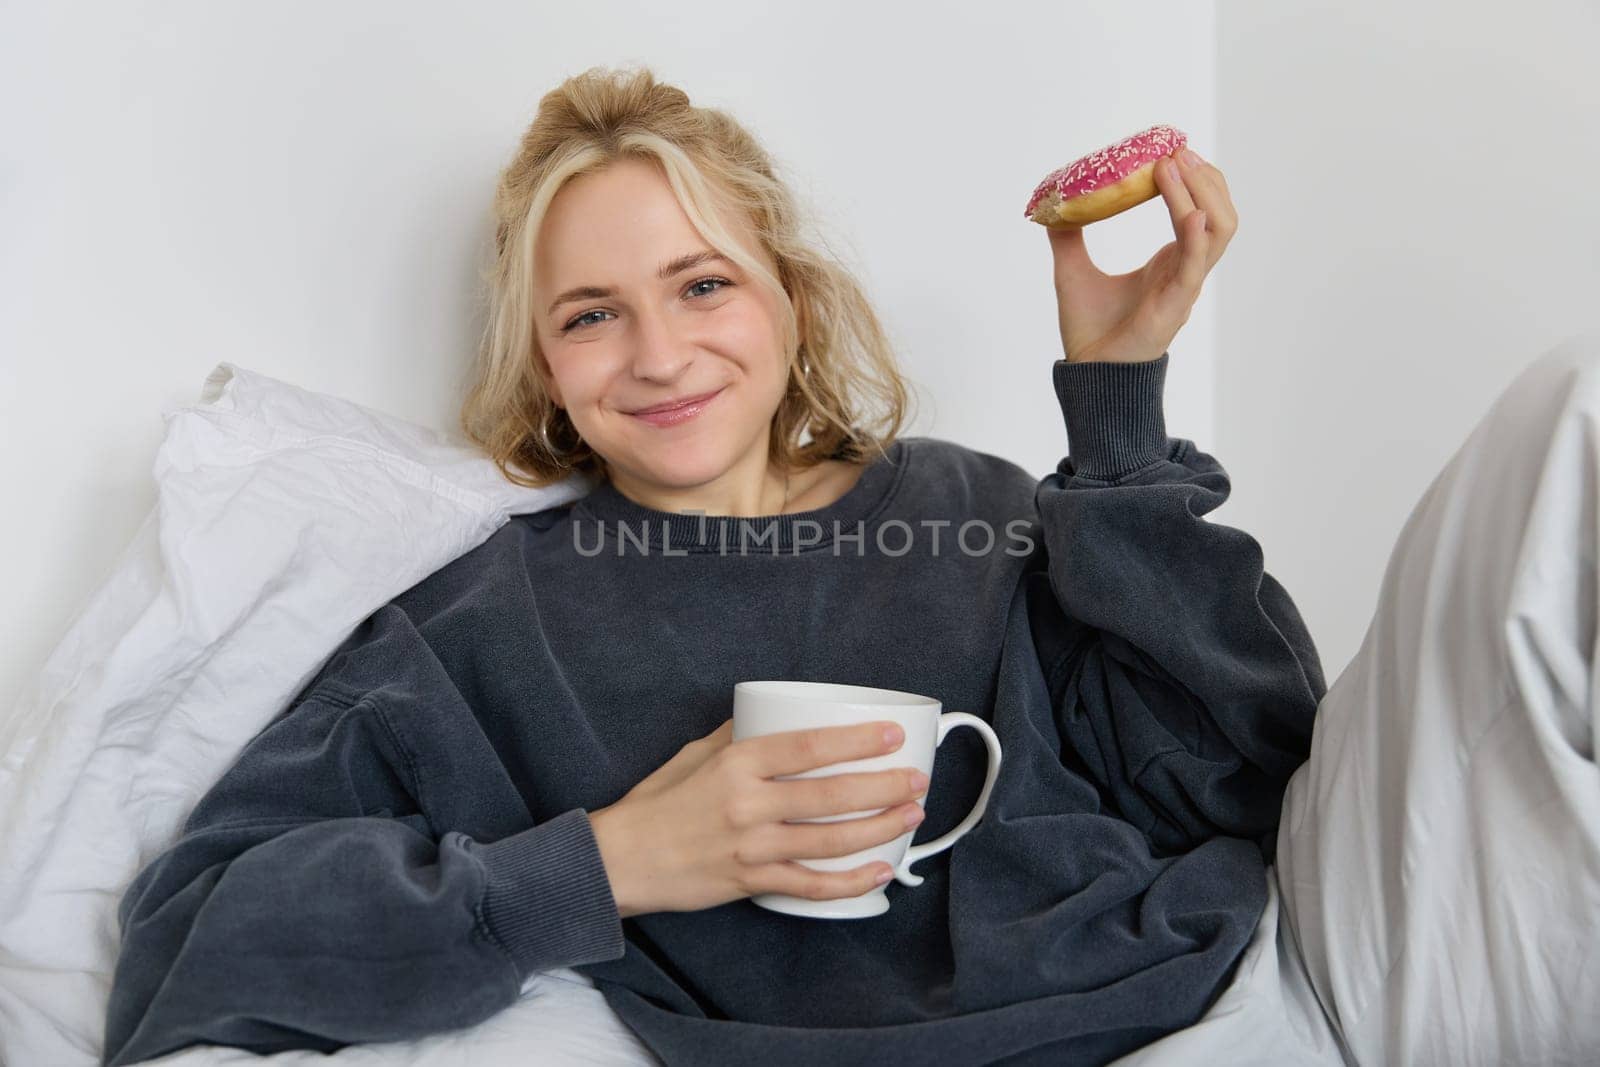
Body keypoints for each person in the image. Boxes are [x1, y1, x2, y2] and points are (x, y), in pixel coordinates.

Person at [99, 63, 1600, 1067]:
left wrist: (1119, 407)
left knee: (1576, 404)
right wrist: (620, 861)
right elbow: (192, 942)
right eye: (590, 315)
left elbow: (1251, 774)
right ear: (543, 372)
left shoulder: (971, 507)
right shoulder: (484, 622)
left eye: (702, 284)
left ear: (791, 308)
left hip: (1225, 1000)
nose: (662, 351)